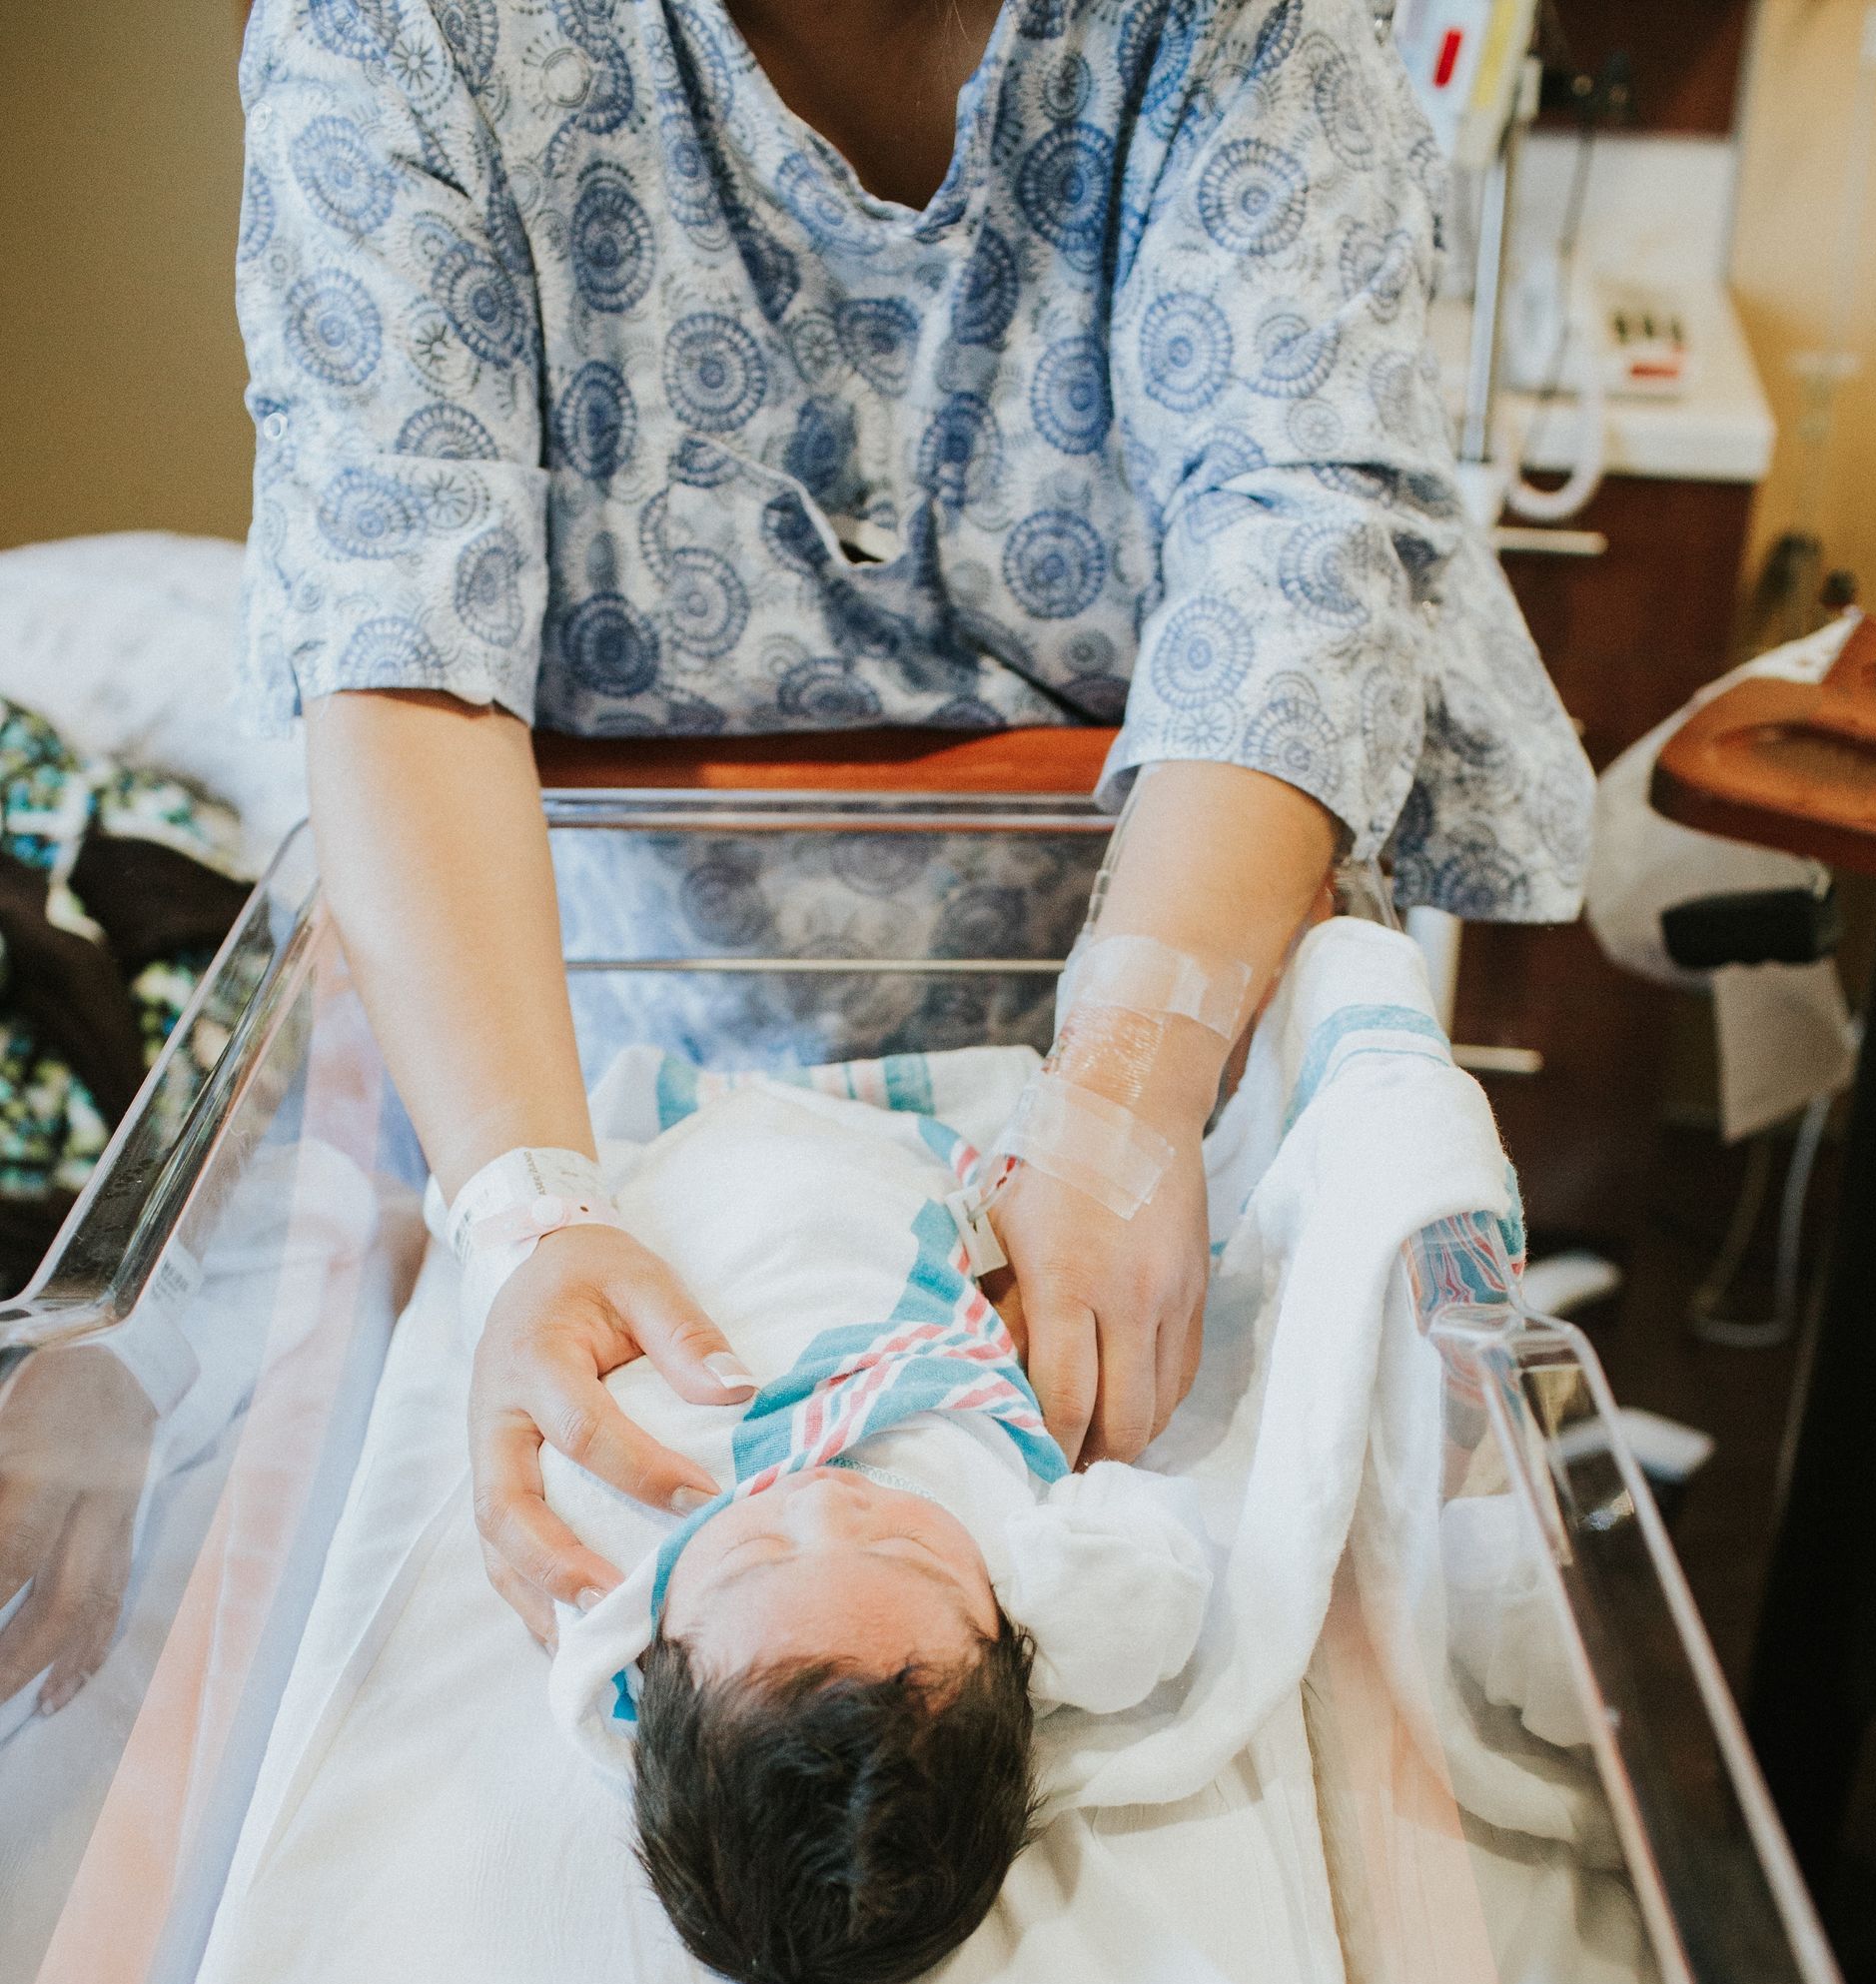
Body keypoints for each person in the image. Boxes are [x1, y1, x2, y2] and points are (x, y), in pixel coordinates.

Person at [234, 0, 1590, 1647]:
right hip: (606, 1074)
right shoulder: (409, 33)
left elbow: (1301, 551)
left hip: (1163, 1058)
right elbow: (397, 625)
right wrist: (531, 1208)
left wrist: (1130, 1092)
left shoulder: (1241, 32)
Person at [531, 1062, 1213, 1984]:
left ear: (649, 1651)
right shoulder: (1026, 1557)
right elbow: (1154, 1574)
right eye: (904, 1552)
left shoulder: (614, 1523)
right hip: (891, 1189)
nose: (823, 1506)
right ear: (1011, 1637)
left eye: (759, 1554)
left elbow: (545, 1392)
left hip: (683, 1200)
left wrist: (524, 1222)